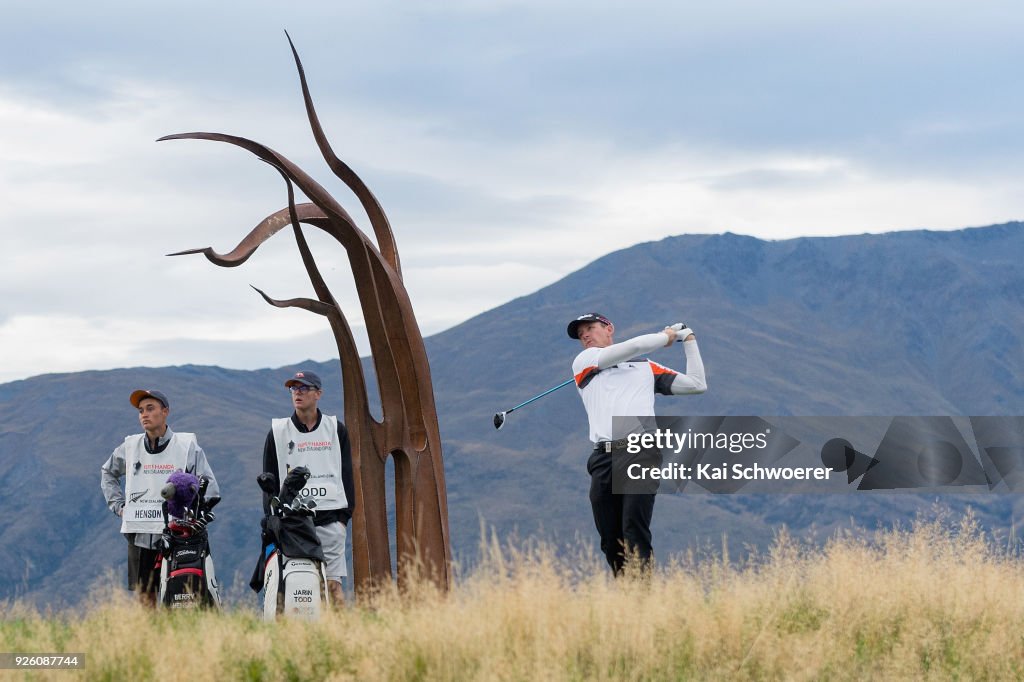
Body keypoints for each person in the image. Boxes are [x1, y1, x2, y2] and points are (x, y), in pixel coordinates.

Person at [568, 313, 707, 575]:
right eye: (580, 334)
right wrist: (665, 337)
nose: (584, 335)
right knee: (610, 539)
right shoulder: (585, 362)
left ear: (609, 328)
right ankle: (627, 599)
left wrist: (688, 340)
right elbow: (634, 346)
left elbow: (697, 385)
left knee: (634, 530)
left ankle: (642, 598)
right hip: (603, 458)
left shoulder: (646, 367)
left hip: (640, 453)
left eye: (590, 328)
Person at [100, 389, 220, 607]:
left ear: (165, 412)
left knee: (183, 594)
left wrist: (196, 516)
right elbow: (107, 473)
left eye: (150, 408)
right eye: (140, 410)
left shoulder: (186, 447)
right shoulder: (130, 447)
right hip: (140, 532)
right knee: (146, 598)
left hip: (179, 535)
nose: (144, 414)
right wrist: (118, 506)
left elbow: (210, 488)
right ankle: (154, 639)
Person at [263, 370, 355, 606]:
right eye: (294, 389)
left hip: (331, 519)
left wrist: (343, 517)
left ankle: (342, 636)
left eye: (304, 388)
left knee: (333, 586)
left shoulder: (336, 429)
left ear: (318, 394)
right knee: (295, 585)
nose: (298, 393)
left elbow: (347, 474)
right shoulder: (278, 431)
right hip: (291, 523)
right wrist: (272, 519)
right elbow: (269, 479)